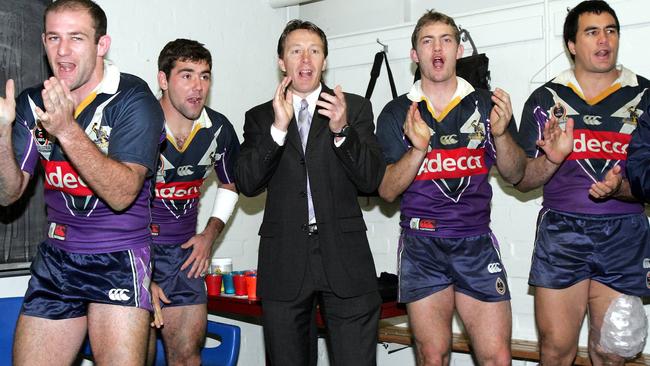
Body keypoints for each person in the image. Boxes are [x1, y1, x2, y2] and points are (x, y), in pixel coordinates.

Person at [0, 0, 164, 364]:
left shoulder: (133, 100)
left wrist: (66, 130)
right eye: (54, 37)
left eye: (76, 38)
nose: (62, 50)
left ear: (100, 45)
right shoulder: (33, 101)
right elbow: (9, 193)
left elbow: (122, 194)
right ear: (43, 41)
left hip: (117, 254)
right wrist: (1, 132)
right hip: (58, 257)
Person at [376, 10, 525, 366]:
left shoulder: (487, 104)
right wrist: (417, 149)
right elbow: (386, 191)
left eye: (446, 39)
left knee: (497, 358)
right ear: (415, 54)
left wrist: (502, 135)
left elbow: (516, 173)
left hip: (474, 242)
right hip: (421, 245)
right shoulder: (398, 112)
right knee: (433, 356)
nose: (437, 48)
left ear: (458, 49)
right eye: (427, 41)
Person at [235, 19, 386, 366]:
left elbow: (371, 180)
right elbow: (247, 182)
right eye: (296, 51)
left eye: (314, 51)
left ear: (325, 60)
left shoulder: (355, 108)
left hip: (345, 258)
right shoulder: (260, 117)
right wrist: (277, 129)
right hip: (284, 259)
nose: (306, 59)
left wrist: (341, 130)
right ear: (281, 62)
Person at [515, 1, 650, 364]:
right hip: (563, 234)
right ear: (572, 44)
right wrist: (551, 157)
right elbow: (523, 179)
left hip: (623, 234)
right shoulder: (547, 98)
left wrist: (620, 189)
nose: (604, 40)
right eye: (591, 32)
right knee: (557, 350)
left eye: (611, 30)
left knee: (613, 350)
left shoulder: (645, 95)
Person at [148, 38, 239, 365]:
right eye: (186, 75)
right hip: (132, 254)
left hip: (184, 258)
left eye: (205, 75)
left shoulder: (218, 128)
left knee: (187, 356)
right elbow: (110, 200)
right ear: (163, 80)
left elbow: (230, 185)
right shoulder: (138, 124)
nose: (198, 86)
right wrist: (142, 271)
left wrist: (208, 236)